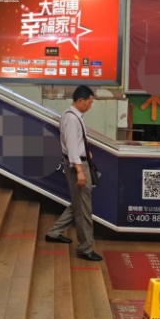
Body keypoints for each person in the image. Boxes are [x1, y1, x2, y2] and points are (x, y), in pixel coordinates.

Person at [44, 85, 102, 262]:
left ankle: (54, 233)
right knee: (84, 208)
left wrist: (84, 151)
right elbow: (70, 146)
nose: (90, 106)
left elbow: (74, 142)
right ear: (80, 100)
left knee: (79, 203)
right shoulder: (72, 119)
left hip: (80, 162)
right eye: (90, 102)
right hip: (77, 166)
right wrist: (79, 170)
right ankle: (85, 249)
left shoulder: (72, 116)